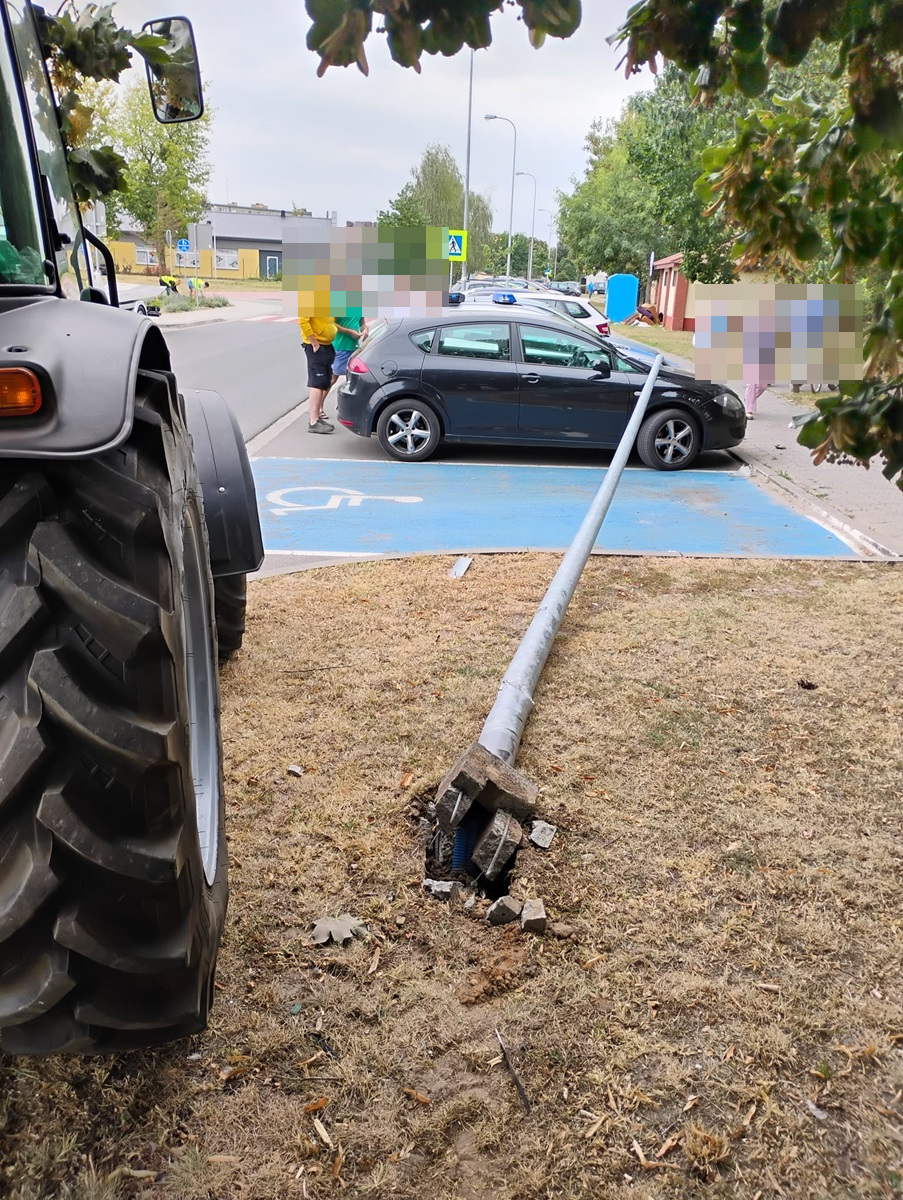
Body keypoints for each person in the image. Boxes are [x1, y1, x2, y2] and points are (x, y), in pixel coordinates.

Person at [298, 312, 337, 433]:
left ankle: (317, 418)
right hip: (316, 345)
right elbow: (303, 321)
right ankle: (314, 421)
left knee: (324, 381)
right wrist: (314, 342)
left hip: (326, 344)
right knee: (317, 383)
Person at [332, 307, 368, 384]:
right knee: (332, 378)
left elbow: (362, 324)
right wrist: (350, 332)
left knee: (353, 377)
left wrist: (365, 330)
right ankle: (317, 396)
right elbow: (332, 325)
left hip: (354, 348)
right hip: (340, 347)